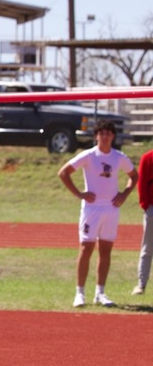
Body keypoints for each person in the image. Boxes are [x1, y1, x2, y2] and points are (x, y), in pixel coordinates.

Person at [58, 120, 138, 307]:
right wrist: (79, 194)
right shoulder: (88, 155)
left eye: (108, 133)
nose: (105, 137)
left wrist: (124, 194)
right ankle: (80, 293)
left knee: (106, 250)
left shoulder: (119, 157)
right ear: (96, 136)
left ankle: (100, 293)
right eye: (102, 133)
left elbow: (134, 175)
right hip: (92, 209)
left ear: (113, 136)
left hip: (111, 209)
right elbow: (63, 173)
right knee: (86, 248)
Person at [133, 148, 153, 295]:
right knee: (147, 249)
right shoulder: (147, 158)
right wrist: (145, 205)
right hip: (152, 208)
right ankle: (141, 285)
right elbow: (142, 183)